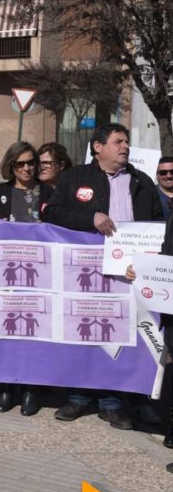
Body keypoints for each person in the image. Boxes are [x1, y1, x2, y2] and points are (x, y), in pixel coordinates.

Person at [43, 123, 162, 429]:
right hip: (84, 273)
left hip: (127, 275)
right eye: (118, 141)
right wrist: (89, 218)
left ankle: (113, 401)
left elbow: (158, 225)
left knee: (117, 337)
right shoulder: (74, 178)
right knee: (84, 332)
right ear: (98, 147)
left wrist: (149, 262)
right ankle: (79, 396)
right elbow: (52, 214)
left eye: (127, 142)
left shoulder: (141, 180)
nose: (125, 146)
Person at [0, 142, 53, 416]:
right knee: (4, 330)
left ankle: (30, 388)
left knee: (33, 333)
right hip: (4, 275)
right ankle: (4, 386)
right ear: (11, 166)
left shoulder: (48, 193)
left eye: (30, 162)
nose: (26, 168)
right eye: (20, 164)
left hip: (38, 276)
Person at [156, 156, 173, 220]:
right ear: (157, 175)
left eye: (172, 172)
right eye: (163, 173)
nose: (169, 176)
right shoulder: (150, 195)